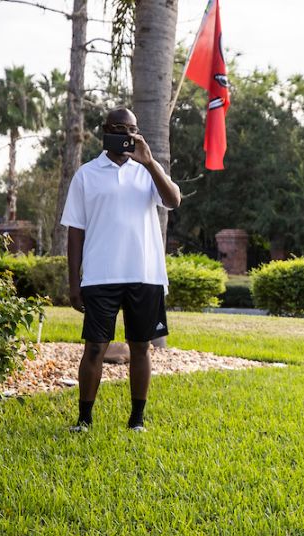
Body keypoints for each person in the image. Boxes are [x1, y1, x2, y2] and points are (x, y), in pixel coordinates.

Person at [61, 107, 182, 432]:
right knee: (95, 347)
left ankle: (137, 420)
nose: (126, 134)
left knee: (141, 347)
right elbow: (75, 231)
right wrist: (74, 284)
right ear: (105, 131)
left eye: (132, 128)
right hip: (101, 275)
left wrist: (150, 162)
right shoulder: (86, 174)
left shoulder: (147, 171)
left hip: (144, 274)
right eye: (119, 128)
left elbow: (173, 200)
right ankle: (84, 420)